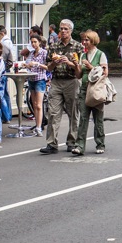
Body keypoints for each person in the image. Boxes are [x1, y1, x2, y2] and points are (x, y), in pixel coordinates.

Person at [40, 19, 84, 154]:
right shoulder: (53, 46)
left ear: (71, 30)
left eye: (66, 29)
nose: (63, 31)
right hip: (56, 81)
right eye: (61, 29)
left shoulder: (78, 46)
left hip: (72, 81)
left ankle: (72, 141)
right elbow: (48, 67)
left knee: (73, 113)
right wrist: (55, 62)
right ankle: (51, 144)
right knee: (53, 113)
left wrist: (70, 63)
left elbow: (80, 71)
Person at [70, 29, 108, 156]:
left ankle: (100, 143)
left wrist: (91, 66)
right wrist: (76, 66)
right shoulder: (82, 55)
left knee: (98, 119)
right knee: (83, 118)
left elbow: (105, 73)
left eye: (86, 40)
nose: (84, 42)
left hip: (96, 90)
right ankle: (79, 146)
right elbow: (79, 75)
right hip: (84, 89)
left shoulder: (100, 54)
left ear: (93, 41)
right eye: (83, 40)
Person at [22, 33, 49, 135]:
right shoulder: (31, 53)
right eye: (32, 42)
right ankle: (37, 125)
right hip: (31, 79)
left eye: (35, 42)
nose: (33, 44)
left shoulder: (44, 53)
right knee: (34, 104)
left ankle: (39, 127)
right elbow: (29, 65)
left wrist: (37, 64)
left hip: (40, 79)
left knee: (38, 105)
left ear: (39, 42)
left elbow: (48, 67)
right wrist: (26, 65)